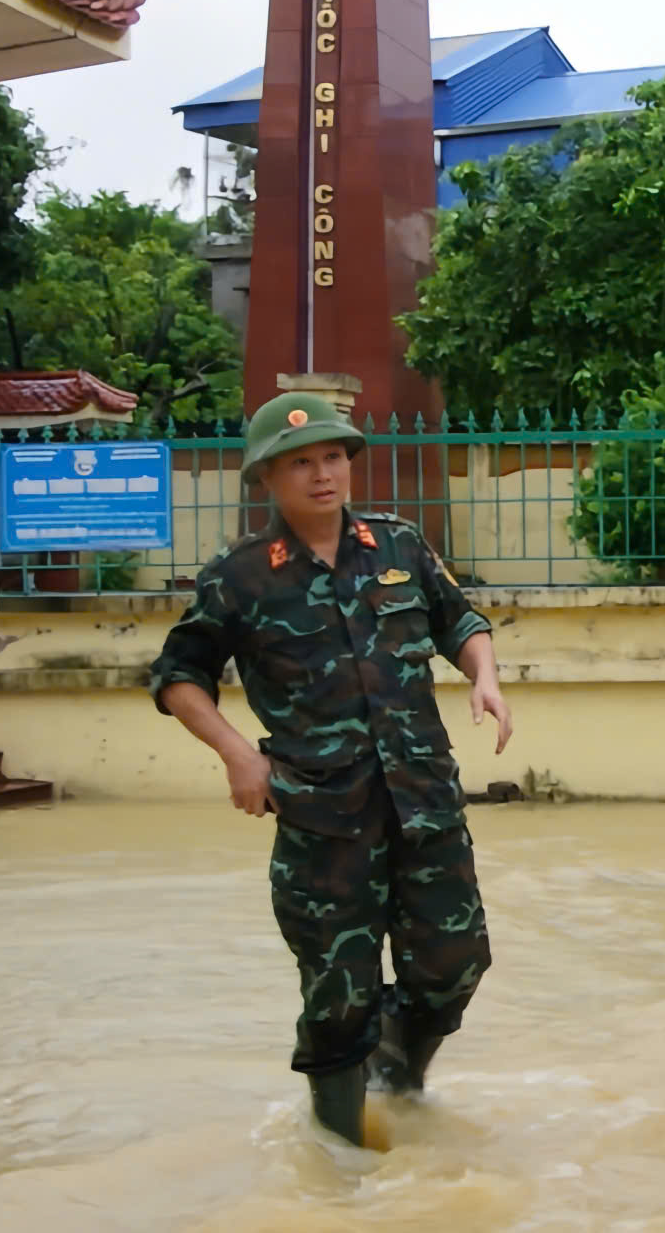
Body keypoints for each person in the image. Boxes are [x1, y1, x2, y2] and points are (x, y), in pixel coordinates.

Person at [148, 392, 513, 1147]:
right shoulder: (241, 578)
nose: (323, 474)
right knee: (337, 996)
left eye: (333, 457)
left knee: (455, 963)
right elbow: (179, 678)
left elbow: (462, 621)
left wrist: (485, 676)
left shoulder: (399, 546)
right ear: (268, 479)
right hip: (324, 821)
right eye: (302, 462)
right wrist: (237, 752)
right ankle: (342, 1174)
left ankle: (400, 1079)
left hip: (423, 803)